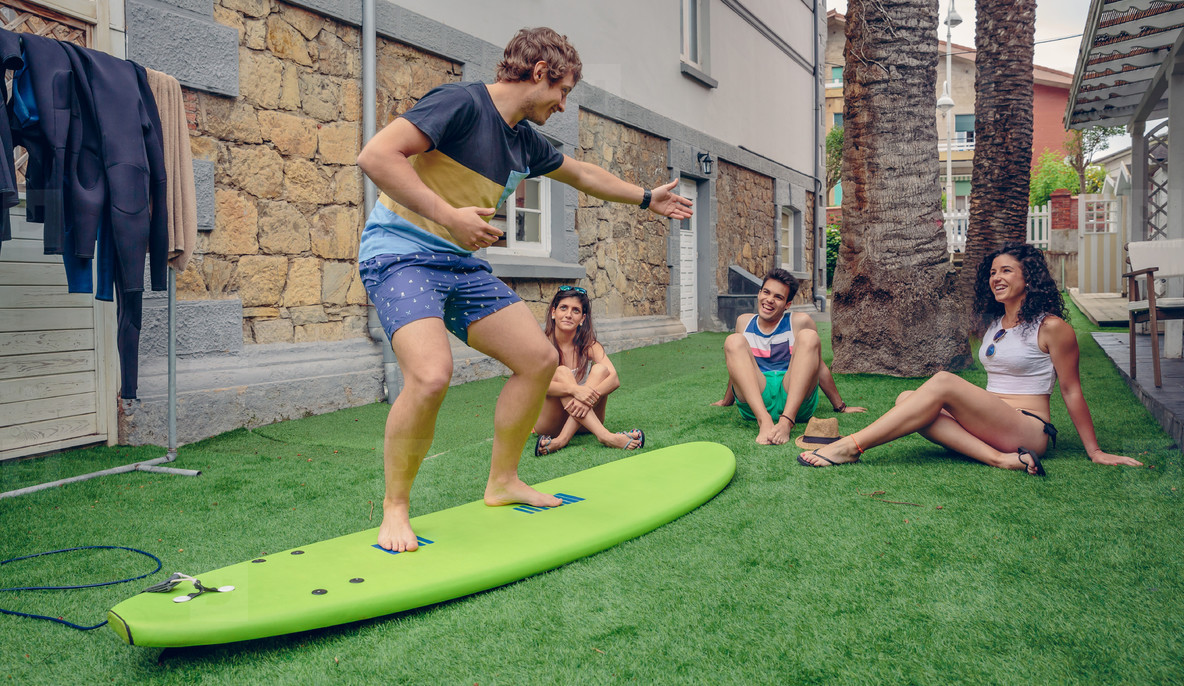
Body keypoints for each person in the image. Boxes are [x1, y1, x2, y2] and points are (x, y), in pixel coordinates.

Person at [356, 27, 693, 552]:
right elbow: (376, 156)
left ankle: (503, 481)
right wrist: (449, 216)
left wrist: (647, 198)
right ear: (540, 72)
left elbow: (582, 174)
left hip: (460, 264)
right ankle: (395, 508)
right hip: (400, 254)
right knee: (430, 374)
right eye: (563, 91)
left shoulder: (523, 141)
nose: (563, 105)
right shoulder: (461, 103)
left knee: (538, 359)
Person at [799, 242, 1143, 473]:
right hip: (992, 422)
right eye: (993, 272)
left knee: (943, 383)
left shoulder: (1051, 327)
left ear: (1029, 277)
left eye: (1006, 271)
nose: (997, 278)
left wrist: (1095, 451)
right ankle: (999, 459)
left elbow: (1071, 390)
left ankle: (852, 446)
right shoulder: (995, 325)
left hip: (1028, 426)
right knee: (907, 398)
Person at [712, 268, 865, 445]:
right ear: (759, 293)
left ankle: (786, 421)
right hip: (757, 399)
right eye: (766, 292)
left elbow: (817, 365)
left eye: (778, 297)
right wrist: (727, 401)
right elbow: (738, 367)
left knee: (809, 337)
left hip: (793, 397)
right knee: (733, 341)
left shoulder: (800, 321)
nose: (769, 300)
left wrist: (840, 406)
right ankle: (764, 420)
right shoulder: (744, 322)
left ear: (787, 304)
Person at [532, 285, 644, 455]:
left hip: (585, 423)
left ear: (582, 318)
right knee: (562, 372)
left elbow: (614, 379)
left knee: (601, 370)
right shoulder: (542, 346)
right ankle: (605, 436)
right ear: (554, 312)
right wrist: (575, 390)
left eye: (575, 310)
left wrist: (586, 396)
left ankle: (562, 440)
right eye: (563, 308)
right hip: (551, 425)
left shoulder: (589, 345)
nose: (568, 314)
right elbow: (538, 387)